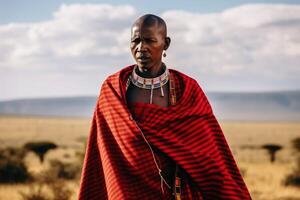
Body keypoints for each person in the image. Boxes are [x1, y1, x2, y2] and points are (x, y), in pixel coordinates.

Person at [78, 14, 252, 200]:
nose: (141, 48)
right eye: (135, 41)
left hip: (175, 192)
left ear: (166, 43)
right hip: (125, 189)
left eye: (149, 41)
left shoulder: (187, 89)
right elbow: (101, 153)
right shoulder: (113, 89)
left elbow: (208, 155)